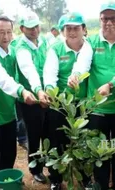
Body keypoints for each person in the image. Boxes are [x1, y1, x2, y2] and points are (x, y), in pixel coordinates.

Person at [68, 2, 115, 189]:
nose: (109, 22)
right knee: (98, 150)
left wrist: (111, 84)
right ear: (100, 20)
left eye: (113, 18)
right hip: (97, 108)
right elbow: (82, 62)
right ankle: (101, 184)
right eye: (104, 18)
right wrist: (75, 75)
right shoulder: (90, 42)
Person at [0, 16, 38, 190]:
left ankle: (6, 178)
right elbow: (4, 80)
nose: (5, 36)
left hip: (8, 110)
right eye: (1, 32)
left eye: (8, 32)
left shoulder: (12, 52)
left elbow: (22, 74)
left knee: (9, 150)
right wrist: (21, 91)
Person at [44, 12, 92, 190]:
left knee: (83, 140)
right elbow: (50, 74)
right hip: (60, 104)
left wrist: (77, 76)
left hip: (83, 104)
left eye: (76, 28)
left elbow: (83, 65)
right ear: (63, 30)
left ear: (84, 29)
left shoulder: (89, 46)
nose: (72, 32)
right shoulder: (55, 49)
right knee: (56, 140)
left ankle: (86, 178)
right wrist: (51, 91)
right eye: (68, 28)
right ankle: (56, 179)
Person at [14, 14, 50, 184]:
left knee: (48, 132)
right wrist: (38, 90)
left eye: (36, 26)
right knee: (34, 134)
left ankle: (51, 164)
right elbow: (29, 70)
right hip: (31, 99)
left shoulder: (44, 41)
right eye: (30, 27)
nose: (34, 30)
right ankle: (35, 168)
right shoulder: (21, 47)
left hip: (47, 95)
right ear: (22, 29)